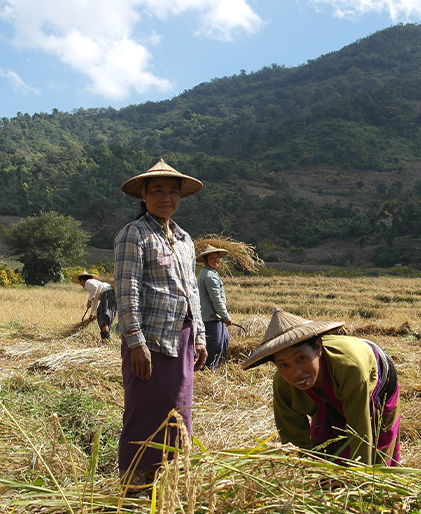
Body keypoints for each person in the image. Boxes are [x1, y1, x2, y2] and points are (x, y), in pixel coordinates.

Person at [114, 158, 208, 493]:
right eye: (157, 191)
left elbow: (191, 291)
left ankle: (170, 481)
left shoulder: (184, 239)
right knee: (145, 411)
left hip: (180, 338)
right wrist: (135, 341)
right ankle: (136, 486)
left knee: (178, 408)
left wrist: (198, 336)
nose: (165, 197)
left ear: (180, 196)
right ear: (144, 195)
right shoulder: (134, 234)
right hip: (150, 340)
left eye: (172, 191)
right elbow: (127, 289)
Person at [242, 308, 401, 466]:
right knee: (323, 453)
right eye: (283, 364)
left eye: (301, 358)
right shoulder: (283, 384)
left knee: (377, 457)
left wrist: (361, 478)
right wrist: (304, 474)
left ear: (318, 348)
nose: (296, 372)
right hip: (328, 397)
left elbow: (360, 432)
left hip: (377, 382)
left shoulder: (350, 369)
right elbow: (293, 439)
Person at [196, 244, 232, 369]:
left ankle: (219, 368)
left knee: (224, 341)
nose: (216, 260)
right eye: (212, 258)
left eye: (217, 257)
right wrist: (226, 316)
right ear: (206, 260)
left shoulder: (209, 273)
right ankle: (208, 371)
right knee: (215, 346)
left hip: (215, 317)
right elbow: (216, 300)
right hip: (211, 318)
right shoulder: (209, 276)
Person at [74, 273, 116, 340]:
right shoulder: (94, 284)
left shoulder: (88, 282)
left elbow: (94, 288)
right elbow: (95, 301)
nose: (80, 284)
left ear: (82, 280)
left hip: (107, 294)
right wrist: (92, 313)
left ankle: (105, 340)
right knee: (104, 317)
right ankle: (106, 338)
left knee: (103, 318)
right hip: (110, 295)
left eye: (79, 282)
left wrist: (89, 300)